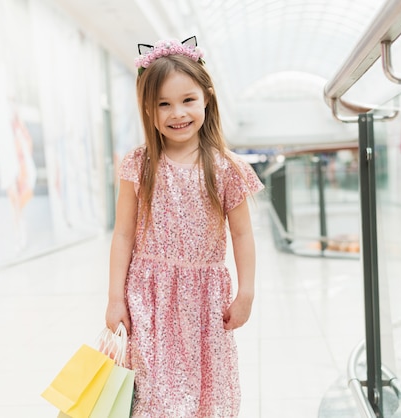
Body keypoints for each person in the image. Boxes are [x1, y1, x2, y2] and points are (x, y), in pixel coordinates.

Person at [105, 36, 264, 417]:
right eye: (163, 103)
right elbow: (123, 233)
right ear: (148, 109)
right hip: (149, 296)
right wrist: (115, 298)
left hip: (205, 303)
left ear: (207, 98)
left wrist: (246, 292)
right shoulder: (138, 165)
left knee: (205, 391)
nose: (178, 113)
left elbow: (242, 234)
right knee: (155, 393)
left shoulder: (227, 167)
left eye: (188, 100)